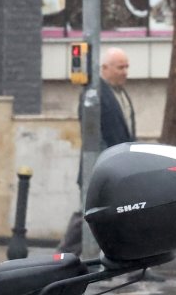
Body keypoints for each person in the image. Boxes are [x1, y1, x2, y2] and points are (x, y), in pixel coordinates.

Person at [58, 46, 135, 256]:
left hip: (119, 169)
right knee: (88, 214)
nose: (125, 72)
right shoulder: (94, 94)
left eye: (127, 67)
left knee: (121, 214)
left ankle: (128, 262)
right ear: (105, 68)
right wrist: (106, 167)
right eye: (120, 67)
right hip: (102, 169)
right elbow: (94, 137)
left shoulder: (118, 93)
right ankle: (63, 256)